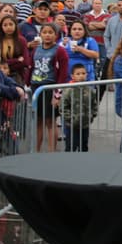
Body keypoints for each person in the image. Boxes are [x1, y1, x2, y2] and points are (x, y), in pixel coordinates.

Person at [28, 23, 69, 152]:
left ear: (55, 35)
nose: (47, 35)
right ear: (40, 34)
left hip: (49, 89)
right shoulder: (36, 50)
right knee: (38, 121)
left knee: (50, 122)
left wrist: (57, 95)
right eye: (44, 32)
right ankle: (36, 150)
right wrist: (26, 86)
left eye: (50, 32)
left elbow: (63, 74)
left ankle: (51, 152)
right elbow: (31, 67)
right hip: (36, 88)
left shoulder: (60, 50)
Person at [59, 63, 97, 152]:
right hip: (72, 125)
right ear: (72, 76)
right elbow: (63, 107)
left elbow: (94, 104)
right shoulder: (68, 90)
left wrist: (91, 116)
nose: (81, 76)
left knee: (84, 146)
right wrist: (70, 118)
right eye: (78, 74)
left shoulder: (90, 90)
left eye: (83, 73)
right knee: (71, 146)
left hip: (85, 125)